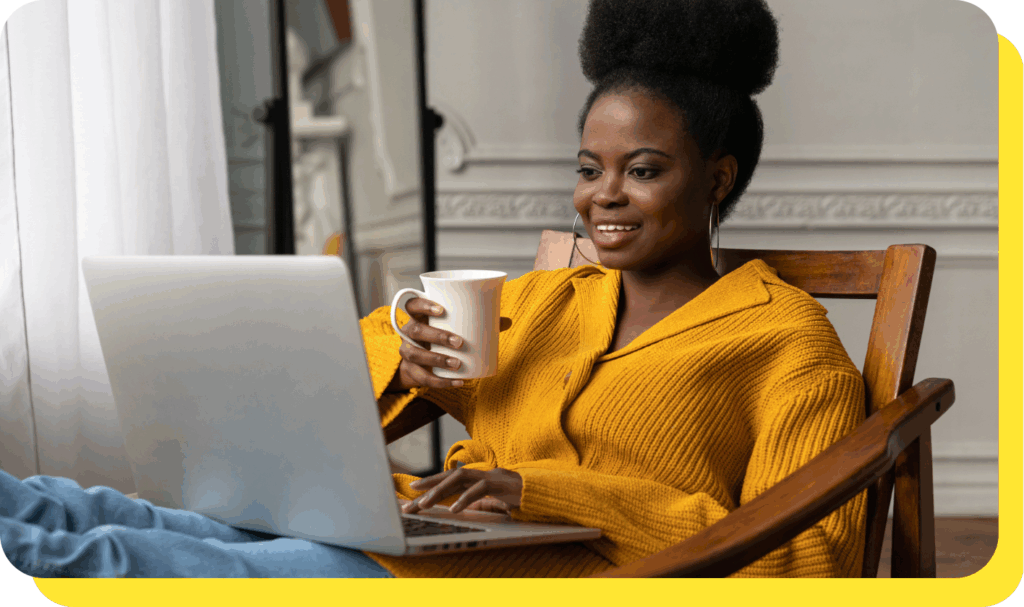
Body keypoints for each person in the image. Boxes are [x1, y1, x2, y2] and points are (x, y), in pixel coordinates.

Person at [1, 0, 866, 578]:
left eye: (642, 170)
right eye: (588, 168)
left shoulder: (788, 341)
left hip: (556, 578)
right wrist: (408, 366)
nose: (603, 195)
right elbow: (336, 402)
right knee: (73, 505)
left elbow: (813, 561)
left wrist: (544, 492)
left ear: (717, 178)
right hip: (426, 536)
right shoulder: (548, 298)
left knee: (105, 554)